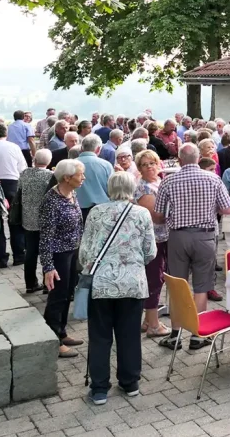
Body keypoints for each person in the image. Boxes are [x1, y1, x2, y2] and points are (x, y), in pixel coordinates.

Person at [80, 172, 157, 405]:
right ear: (132, 188)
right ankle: (130, 382)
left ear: (109, 188)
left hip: (101, 284)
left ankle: (100, 388)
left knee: (100, 336)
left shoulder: (96, 212)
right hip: (132, 284)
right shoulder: (142, 214)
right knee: (130, 334)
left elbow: (84, 252)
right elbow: (150, 252)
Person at [156, 143, 230, 351]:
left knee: (177, 285)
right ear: (198, 159)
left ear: (180, 160)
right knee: (202, 286)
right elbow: (227, 209)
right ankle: (198, 335)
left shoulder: (168, 181)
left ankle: (175, 335)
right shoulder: (213, 179)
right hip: (205, 237)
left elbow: (159, 215)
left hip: (178, 237)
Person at [39, 158, 86, 358]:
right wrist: (48, 267)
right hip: (58, 255)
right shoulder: (51, 201)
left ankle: (62, 331)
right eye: (80, 174)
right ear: (67, 178)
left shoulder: (70, 193)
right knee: (57, 297)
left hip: (71, 251)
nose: (83, 178)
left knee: (67, 294)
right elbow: (46, 237)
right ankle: (53, 339)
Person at [134, 149, 169, 338]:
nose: (149, 167)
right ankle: (154, 325)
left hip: (163, 238)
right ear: (139, 168)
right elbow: (156, 217)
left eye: (152, 163)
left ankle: (148, 320)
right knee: (154, 279)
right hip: (152, 240)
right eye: (144, 164)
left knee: (158, 277)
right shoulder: (144, 188)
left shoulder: (159, 182)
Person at [0, 122, 28, 266]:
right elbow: (22, 168)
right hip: (12, 184)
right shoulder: (14, 147)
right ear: (6, 133)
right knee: (15, 222)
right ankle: (19, 255)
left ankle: (1, 257)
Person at [19, 149, 54, 293]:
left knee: (31, 252)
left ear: (34, 160)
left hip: (28, 218)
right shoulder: (51, 176)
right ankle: (48, 285)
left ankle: (30, 283)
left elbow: (19, 189)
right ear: (49, 162)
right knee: (48, 252)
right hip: (45, 219)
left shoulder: (25, 173)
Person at [76, 135, 114, 223]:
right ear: (98, 149)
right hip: (102, 210)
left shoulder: (71, 164)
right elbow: (112, 189)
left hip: (77, 210)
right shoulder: (106, 165)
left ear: (82, 148)